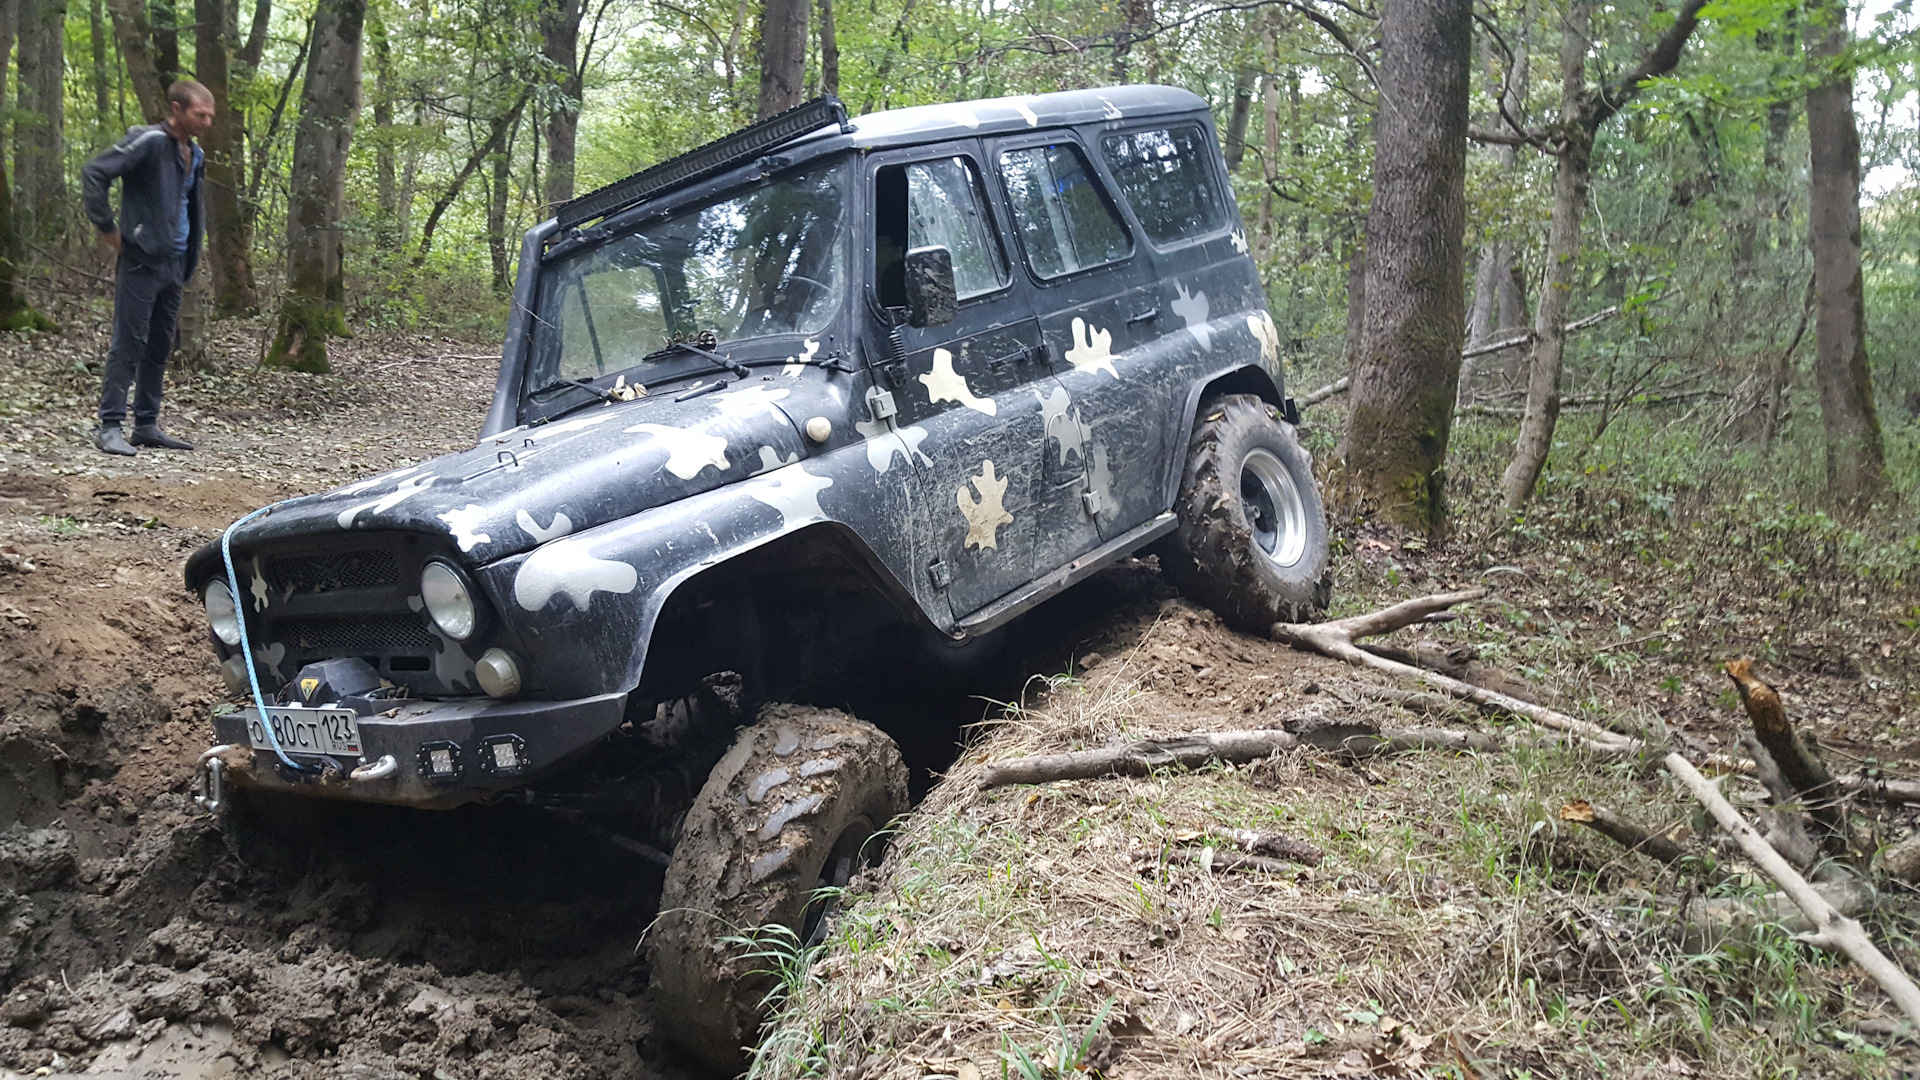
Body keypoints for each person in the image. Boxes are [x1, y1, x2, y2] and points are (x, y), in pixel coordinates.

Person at [80, 79, 213, 456]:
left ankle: (146, 424)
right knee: (129, 341)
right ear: (177, 109)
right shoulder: (149, 141)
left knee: (159, 344)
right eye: (200, 114)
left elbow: (189, 206)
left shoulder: (195, 155)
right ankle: (109, 425)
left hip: (175, 263)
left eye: (210, 116)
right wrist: (109, 229)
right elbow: (95, 172)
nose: (206, 122)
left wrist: (190, 257)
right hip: (141, 259)